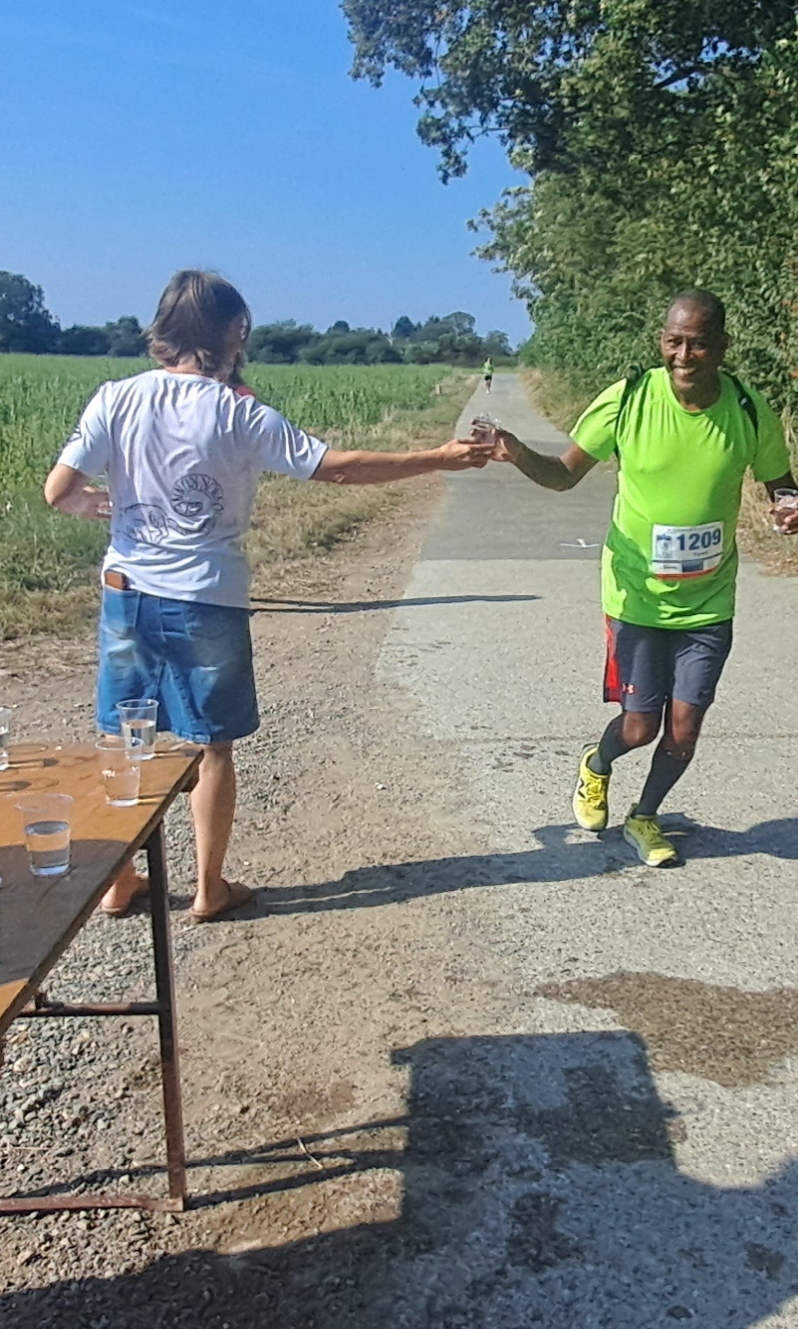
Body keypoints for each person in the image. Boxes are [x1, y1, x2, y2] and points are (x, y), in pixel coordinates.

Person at [45, 270, 490, 920]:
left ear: (163, 330)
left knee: (124, 739)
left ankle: (119, 880)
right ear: (235, 332)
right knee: (212, 747)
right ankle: (208, 887)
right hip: (205, 596)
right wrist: (440, 458)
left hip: (127, 591)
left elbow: (58, 490)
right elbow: (338, 470)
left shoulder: (115, 398)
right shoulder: (237, 412)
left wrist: (92, 504)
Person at [486, 291, 798, 867]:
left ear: (722, 347)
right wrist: (516, 452)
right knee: (638, 728)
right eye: (673, 341)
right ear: (661, 341)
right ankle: (597, 764)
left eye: (698, 344)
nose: (683, 356)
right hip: (635, 596)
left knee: (683, 730)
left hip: (708, 601)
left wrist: (788, 506)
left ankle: (645, 816)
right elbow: (563, 476)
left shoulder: (747, 407)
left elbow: (780, 483)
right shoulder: (629, 400)